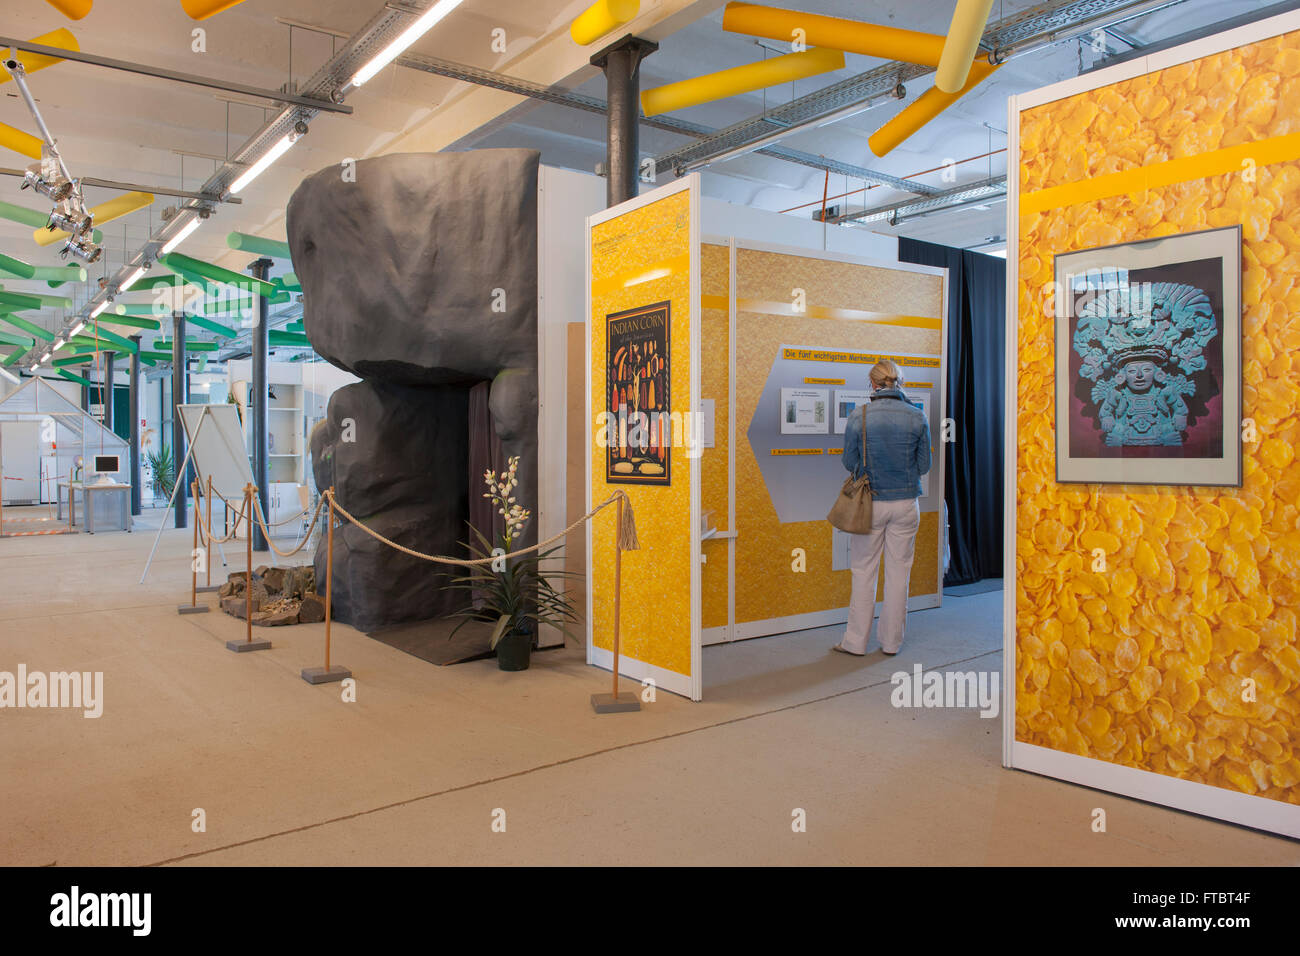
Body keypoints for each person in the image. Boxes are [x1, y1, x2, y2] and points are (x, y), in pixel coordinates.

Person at [832, 359, 931, 657]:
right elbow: (924, 465)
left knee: (863, 571)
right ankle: (891, 643)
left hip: (870, 503)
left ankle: (855, 642)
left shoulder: (858, 416)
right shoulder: (917, 417)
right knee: (899, 573)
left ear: (872, 384)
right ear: (899, 383)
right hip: (905, 503)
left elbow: (849, 462)